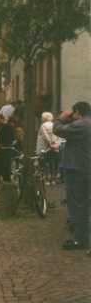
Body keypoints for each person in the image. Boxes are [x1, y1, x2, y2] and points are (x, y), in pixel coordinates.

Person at [53, 101, 91, 253]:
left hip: (77, 169)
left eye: (73, 114)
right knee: (86, 204)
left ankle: (80, 239)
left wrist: (61, 118)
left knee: (77, 204)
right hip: (86, 167)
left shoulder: (81, 124)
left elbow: (57, 130)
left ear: (78, 112)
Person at [36, 112, 61, 184]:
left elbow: (45, 135)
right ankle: (53, 179)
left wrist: (50, 143)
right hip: (55, 147)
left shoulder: (43, 125)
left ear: (44, 118)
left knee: (45, 163)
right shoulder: (54, 125)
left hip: (45, 147)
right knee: (53, 162)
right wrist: (56, 144)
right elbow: (58, 135)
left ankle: (47, 179)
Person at [0, 113, 16, 187]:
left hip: (5, 150)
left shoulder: (7, 127)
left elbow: (8, 139)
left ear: (2, 119)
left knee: (5, 168)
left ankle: (6, 185)